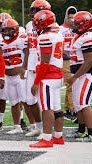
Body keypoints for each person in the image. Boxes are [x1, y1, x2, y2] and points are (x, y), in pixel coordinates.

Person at [29, 10, 65, 148]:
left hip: (48, 76)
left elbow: (44, 63)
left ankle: (47, 139)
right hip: (57, 75)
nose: (36, 25)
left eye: (38, 22)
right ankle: (58, 136)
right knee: (56, 108)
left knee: (47, 108)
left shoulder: (45, 37)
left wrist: (36, 82)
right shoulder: (57, 35)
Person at [67, 11, 92, 142]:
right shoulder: (80, 36)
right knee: (78, 104)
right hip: (80, 74)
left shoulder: (88, 37)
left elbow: (89, 61)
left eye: (76, 23)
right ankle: (81, 130)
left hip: (87, 74)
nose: (73, 25)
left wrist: (75, 77)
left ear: (84, 24)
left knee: (84, 104)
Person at [23, 0, 52, 137]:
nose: (33, 13)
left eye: (36, 10)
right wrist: (24, 65)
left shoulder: (52, 24)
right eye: (33, 10)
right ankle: (39, 127)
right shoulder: (29, 25)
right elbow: (29, 46)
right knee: (30, 99)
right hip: (31, 63)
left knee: (45, 99)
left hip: (44, 62)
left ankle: (49, 131)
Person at [0, 18, 28, 135]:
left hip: (20, 76)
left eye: (9, 30)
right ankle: (17, 126)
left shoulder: (22, 39)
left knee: (26, 101)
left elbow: (28, 53)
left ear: (15, 30)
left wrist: (24, 68)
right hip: (8, 77)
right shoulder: (1, 43)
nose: (6, 33)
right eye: (4, 30)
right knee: (14, 102)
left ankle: (35, 125)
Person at [59, 6, 78, 123]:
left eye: (73, 17)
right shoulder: (61, 29)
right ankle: (73, 110)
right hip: (65, 58)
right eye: (70, 17)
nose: (72, 19)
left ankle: (68, 109)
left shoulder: (77, 29)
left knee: (71, 84)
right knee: (70, 83)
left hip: (75, 58)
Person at [0, 12, 12, 131]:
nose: (3, 26)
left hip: (13, 68)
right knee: (0, 97)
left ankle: (20, 120)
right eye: (0, 24)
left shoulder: (17, 33)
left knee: (18, 98)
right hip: (0, 70)